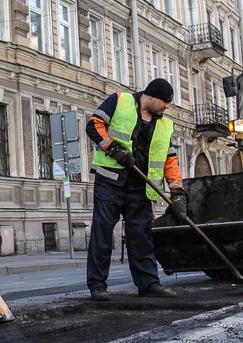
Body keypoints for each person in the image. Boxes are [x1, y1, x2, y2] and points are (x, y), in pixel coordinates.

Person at [85, 78, 187, 302]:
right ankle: (97, 286)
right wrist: (113, 148)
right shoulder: (119, 101)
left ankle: (148, 283)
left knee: (141, 236)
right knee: (102, 233)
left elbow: (170, 160)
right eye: (164, 102)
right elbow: (93, 125)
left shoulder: (163, 124)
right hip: (111, 180)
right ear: (150, 96)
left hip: (141, 187)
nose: (167, 106)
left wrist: (177, 191)